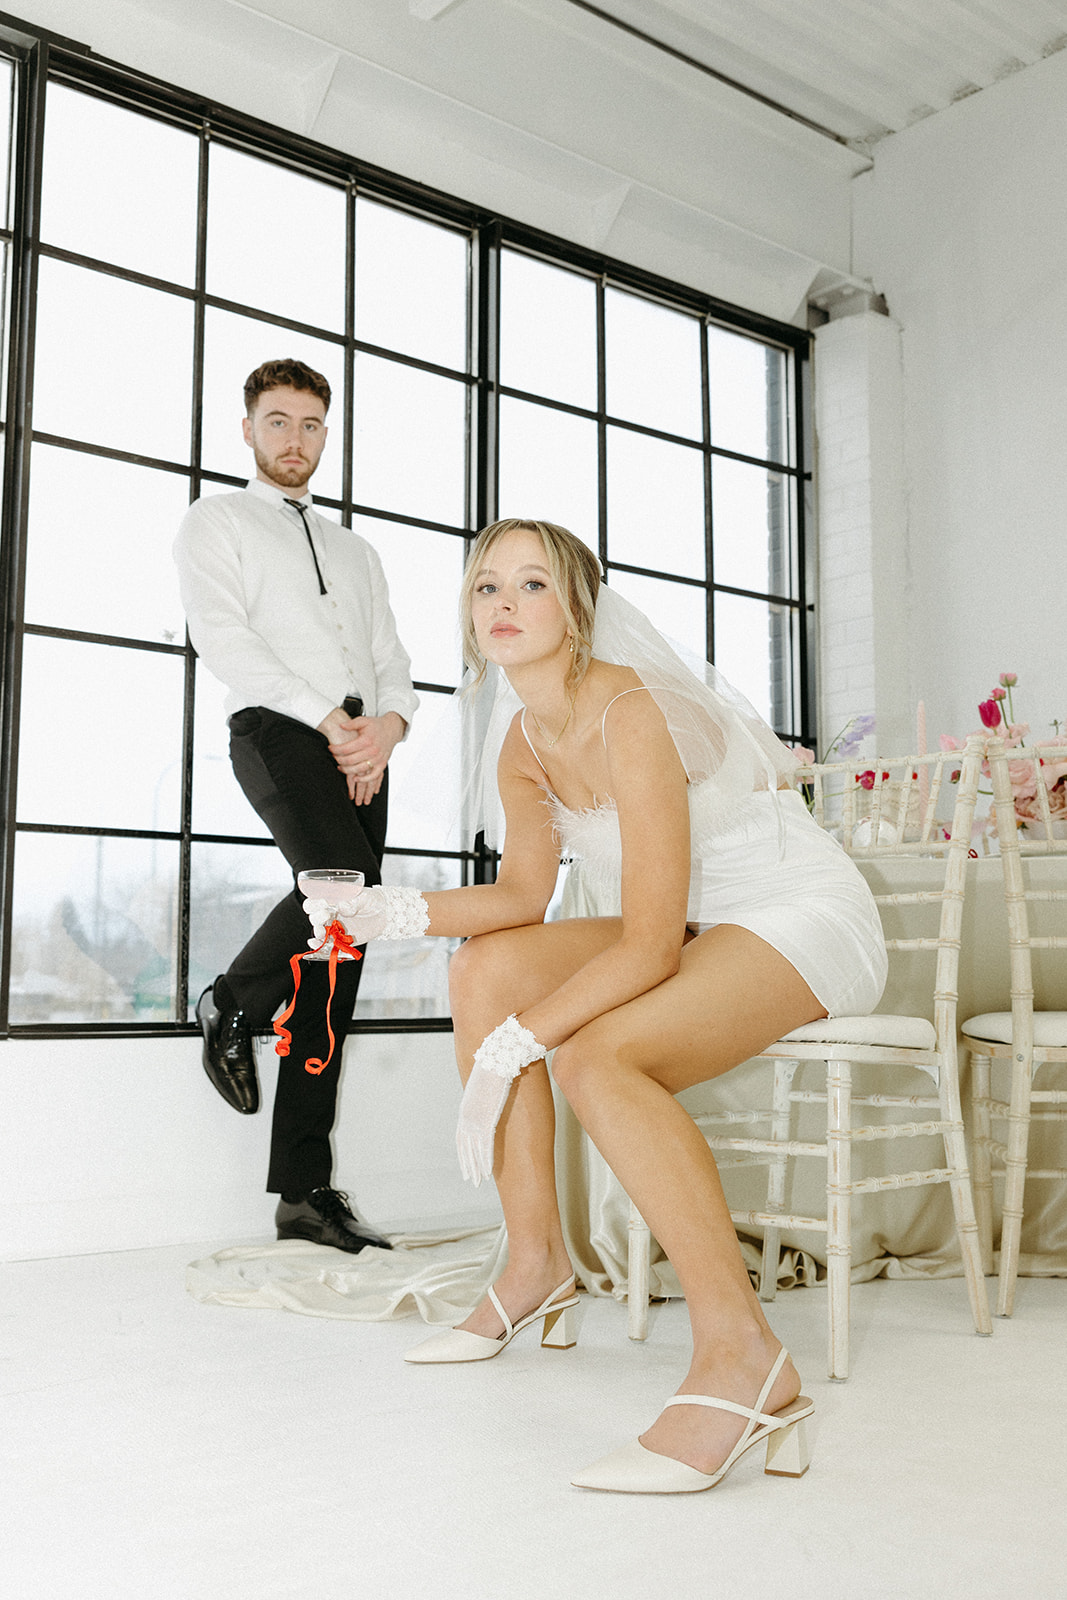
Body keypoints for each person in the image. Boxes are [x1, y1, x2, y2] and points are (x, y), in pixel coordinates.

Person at [312, 517, 887, 1493]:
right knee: (481, 968)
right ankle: (532, 1262)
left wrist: (515, 1047)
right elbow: (521, 902)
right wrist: (380, 908)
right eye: (485, 585)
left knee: (592, 1058)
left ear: (577, 610)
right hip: (695, 925)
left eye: (531, 584)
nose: (502, 603)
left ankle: (742, 1358)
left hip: (792, 915)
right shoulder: (521, 743)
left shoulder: (626, 707)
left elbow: (648, 942)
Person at [173, 358, 417, 1254]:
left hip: (361, 750)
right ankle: (234, 999)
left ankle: (302, 1192)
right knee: (342, 886)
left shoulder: (357, 550)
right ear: (247, 429)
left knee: (338, 956)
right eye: (277, 422)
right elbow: (225, 640)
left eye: (311, 425)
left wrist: (384, 727)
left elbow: (390, 655)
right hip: (278, 732)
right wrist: (331, 722)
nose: (295, 441)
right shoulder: (217, 520)